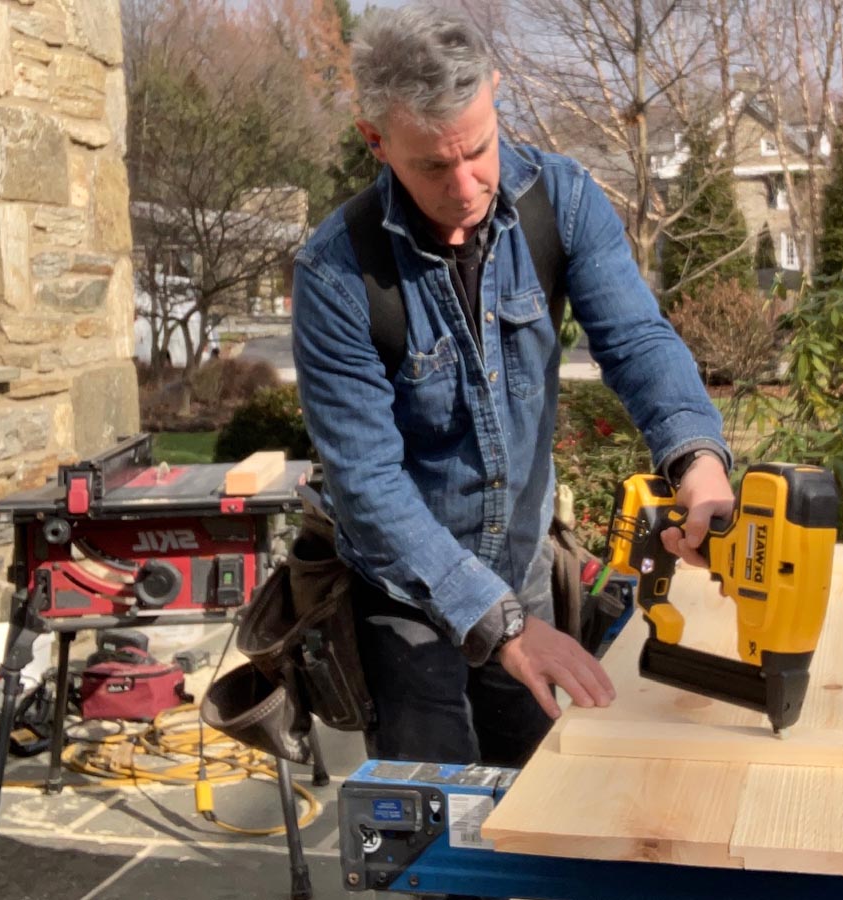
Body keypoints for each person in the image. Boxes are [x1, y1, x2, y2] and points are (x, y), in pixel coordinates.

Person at [291, 4, 735, 769]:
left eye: (479, 151)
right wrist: (502, 628)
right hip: (406, 592)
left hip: (523, 568)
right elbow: (366, 483)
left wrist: (697, 463)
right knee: (437, 829)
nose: (465, 187)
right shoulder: (335, 273)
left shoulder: (561, 201)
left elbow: (635, 342)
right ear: (377, 141)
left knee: (535, 792)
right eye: (433, 166)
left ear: (496, 93)